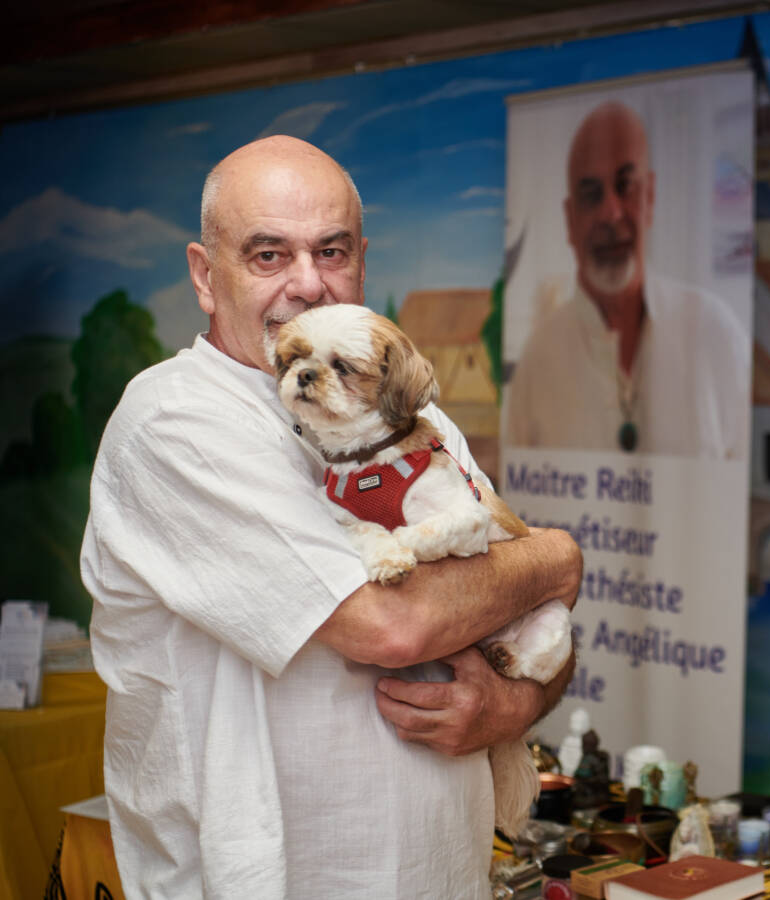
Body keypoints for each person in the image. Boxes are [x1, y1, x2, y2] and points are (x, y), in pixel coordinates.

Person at [80, 135, 582, 899]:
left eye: (332, 251)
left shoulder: (418, 416)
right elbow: (390, 626)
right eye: (268, 255)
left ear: (362, 263)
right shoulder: (175, 419)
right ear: (204, 275)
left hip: (441, 877)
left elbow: (525, 622)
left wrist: (516, 702)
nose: (309, 284)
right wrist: (557, 559)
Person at [504, 100, 750, 459]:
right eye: (591, 194)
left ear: (649, 197)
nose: (611, 212)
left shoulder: (718, 337)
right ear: (570, 220)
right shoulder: (538, 361)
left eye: (626, 186)